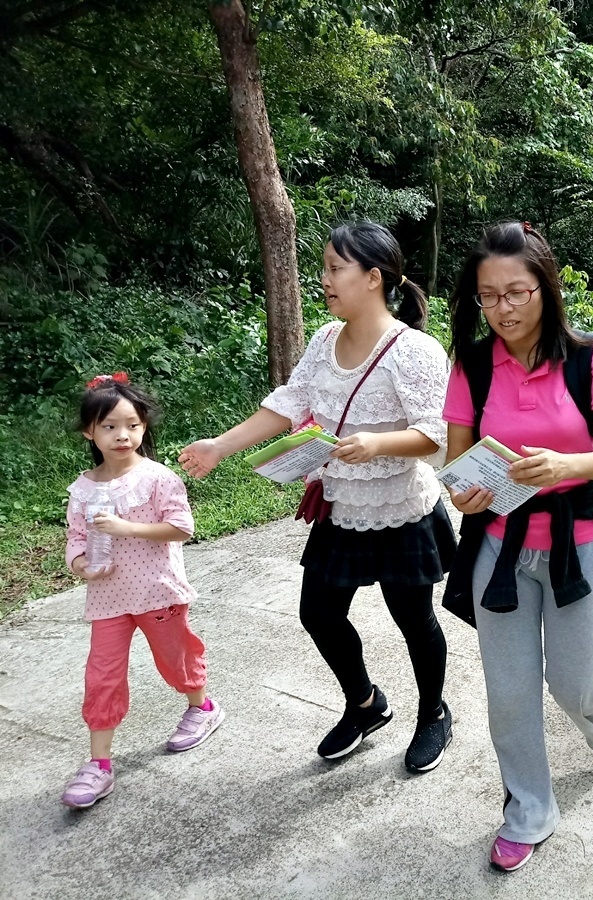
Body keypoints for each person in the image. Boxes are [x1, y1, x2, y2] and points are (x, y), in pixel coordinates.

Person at [179, 222, 455, 769]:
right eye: (324, 268)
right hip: (341, 508)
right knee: (319, 614)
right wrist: (219, 446)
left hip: (400, 507)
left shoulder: (415, 350)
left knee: (413, 618)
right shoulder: (324, 340)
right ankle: (366, 703)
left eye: (335, 268)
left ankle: (434, 714)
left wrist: (377, 444)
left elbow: (438, 435)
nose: (324, 279)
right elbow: (288, 403)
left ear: (374, 278)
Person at [441, 222, 593, 872]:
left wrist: (565, 467)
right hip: (501, 546)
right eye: (488, 296)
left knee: (575, 684)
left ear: (545, 290)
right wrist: (464, 495)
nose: (503, 309)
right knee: (510, 691)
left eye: (517, 292)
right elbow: (459, 464)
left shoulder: (589, 358)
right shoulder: (471, 365)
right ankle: (529, 808)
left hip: (580, 542)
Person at [61, 375, 223, 809]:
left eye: (132, 425)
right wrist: (81, 564)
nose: (122, 435)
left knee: (176, 660)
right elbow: (76, 538)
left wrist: (126, 527)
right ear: (89, 432)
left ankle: (201, 707)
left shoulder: (157, 478)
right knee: (102, 676)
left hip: (158, 593)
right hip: (108, 600)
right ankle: (99, 765)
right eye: (110, 426)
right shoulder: (83, 488)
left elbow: (181, 528)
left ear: (143, 428)